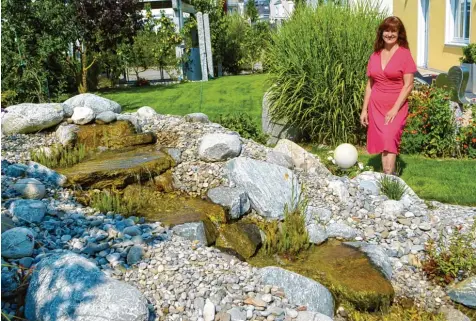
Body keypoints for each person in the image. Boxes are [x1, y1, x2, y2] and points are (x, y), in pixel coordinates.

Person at [360, 16, 416, 175]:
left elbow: (409, 85)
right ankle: (387, 176)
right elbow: (370, 85)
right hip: (376, 106)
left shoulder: (404, 55)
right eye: (386, 30)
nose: (389, 34)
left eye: (393, 31)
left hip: (396, 106)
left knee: (390, 139)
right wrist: (364, 109)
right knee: (384, 142)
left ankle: (388, 177)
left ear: (399, 34)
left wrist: (394, 109)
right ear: (381, 32)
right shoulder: (375, 55)